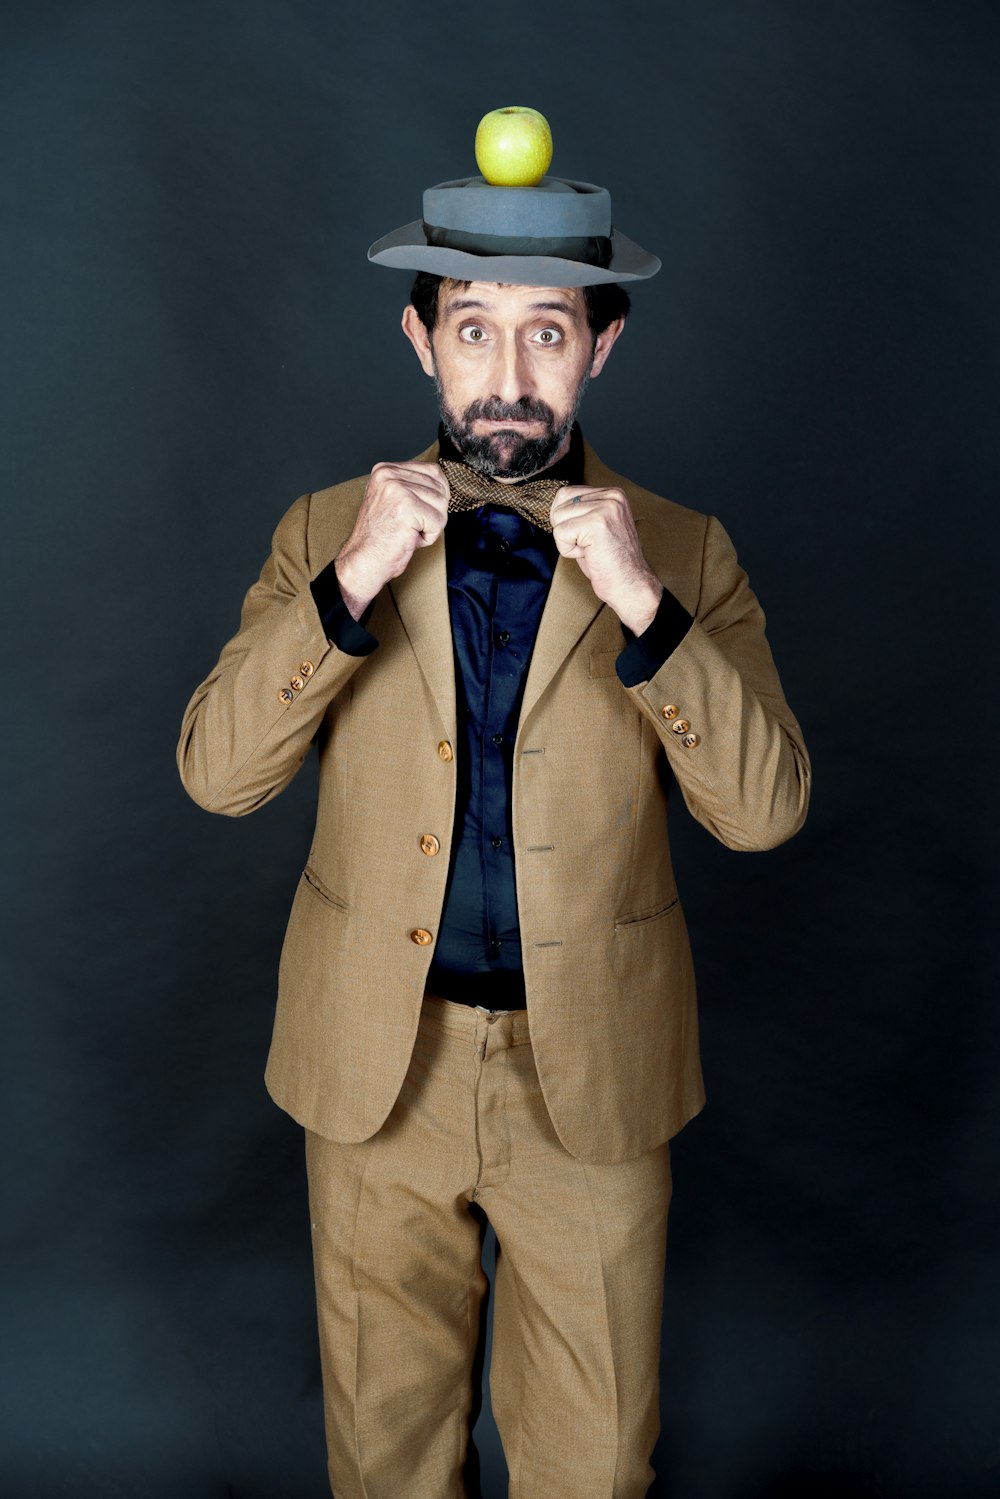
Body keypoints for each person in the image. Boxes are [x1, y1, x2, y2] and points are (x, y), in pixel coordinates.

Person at [177, 139, 810, 1499]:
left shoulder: (686, 552)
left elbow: (764, 813)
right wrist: (348, 585)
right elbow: (218, 776)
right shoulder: (321, 533)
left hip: (594, 1079)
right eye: (472, 332)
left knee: (590, 1467)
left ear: (603, 347)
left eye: (546, 334)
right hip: (372, 1073)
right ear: (421, 342)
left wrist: (646, 605)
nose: (509, 378)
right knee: (388, 1462)